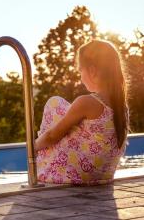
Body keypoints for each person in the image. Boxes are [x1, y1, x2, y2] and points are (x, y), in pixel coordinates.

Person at [35, 39, 129, 185]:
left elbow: (51, 136)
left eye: (80, 70)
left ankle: (41, 166)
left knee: (54, 103)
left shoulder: (86, 102)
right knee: (69, 117)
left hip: (77, 175)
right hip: (103, 175)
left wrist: (31, 148)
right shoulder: (121, 106)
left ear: (92, 70)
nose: (80, 76)